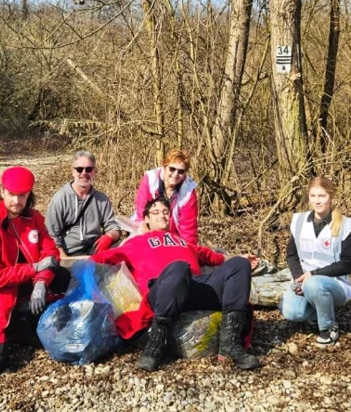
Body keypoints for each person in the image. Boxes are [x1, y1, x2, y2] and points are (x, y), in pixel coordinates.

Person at [91, 197, 260, 371]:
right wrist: (71, 265)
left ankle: (230, 343)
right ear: (146, 219)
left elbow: (212, 256)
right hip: (163, 289)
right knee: (178, 268)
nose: (162, 216)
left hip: (195, 286)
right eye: (156, 212)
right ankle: (155, 346)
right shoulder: (135, 242)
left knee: (239, 264)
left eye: (166, 212)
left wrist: (239, 258)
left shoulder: (183, 241)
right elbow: (101, 258)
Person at [0, 165, 71, 374]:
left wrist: (40, 283)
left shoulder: (34, 218)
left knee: (62, 276)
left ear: (29, 195)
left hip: (22, 289)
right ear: (2, 192)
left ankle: (19, 322)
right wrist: (34, 268)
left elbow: (51, 253)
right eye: (11, 194)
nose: (16, 201)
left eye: (22, 195)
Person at [279, 175, 351, 347]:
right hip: (306, 280)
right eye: (313, 196)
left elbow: (349, 263)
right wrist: (299, 277)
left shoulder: (346, 225)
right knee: (290, 312)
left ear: (331, 197)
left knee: (314, 284)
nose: (317, 201)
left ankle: (329, 327)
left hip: (335, 284)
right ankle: (321, 310)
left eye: (322, 196)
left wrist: (312, 275)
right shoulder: (299, 221)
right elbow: (291, 254)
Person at [45, 150, 121, 257]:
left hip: (95, 248)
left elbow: (113, 227)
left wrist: (109, 236)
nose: (84, 173)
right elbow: (51, 235)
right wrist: (65, 261)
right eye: (79, 169)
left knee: (123, 250)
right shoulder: (60, 199)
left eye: (89, 169)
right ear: (73, 172)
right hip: (70, 252)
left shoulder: (102, 199)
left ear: (94, 171)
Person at [132, 149, 199, 244]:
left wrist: (187, 250)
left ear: (185, 174)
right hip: (146, 229)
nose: (176, 174)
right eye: (172, 169)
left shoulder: (188, 192)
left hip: (173, 236)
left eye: (181, 171)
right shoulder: (150, 180)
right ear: (164, 167)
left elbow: (188, 229)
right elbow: (141, 215)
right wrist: (149, 241)